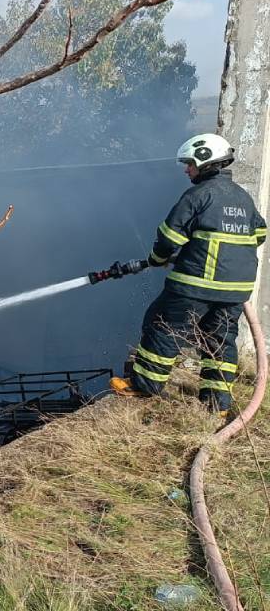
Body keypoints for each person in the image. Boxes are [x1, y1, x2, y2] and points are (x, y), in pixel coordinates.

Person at [111, 133, 267, 416]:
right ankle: (217, 404)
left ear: (205, 161)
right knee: (219, 340)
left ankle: (144, 386)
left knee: (162, 326)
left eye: (190, 164)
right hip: (236, 290)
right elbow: (259, 234)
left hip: (195, 285)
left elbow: (169, 237)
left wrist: (159, 259)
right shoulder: (243, 197)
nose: (187, 170)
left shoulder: (198, 195)